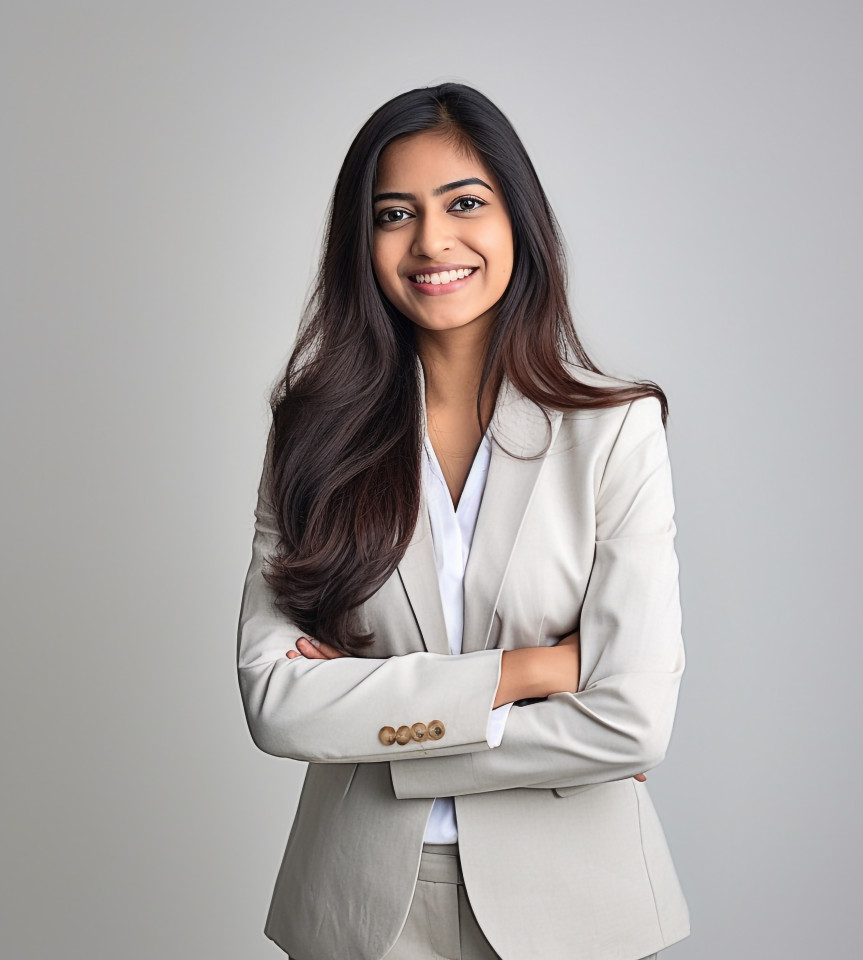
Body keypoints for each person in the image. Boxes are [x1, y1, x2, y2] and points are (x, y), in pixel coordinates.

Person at [236, 81, 690, 960]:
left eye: (465, 203)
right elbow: (277, 705)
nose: (432, 240)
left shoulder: (614, 433)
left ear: (519, 219)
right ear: (362, 242)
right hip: (356, 910)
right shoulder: (313, 436)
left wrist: (372, 724)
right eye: (394, 213)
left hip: (577, 908)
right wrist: (536, 670)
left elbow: (634, 719)